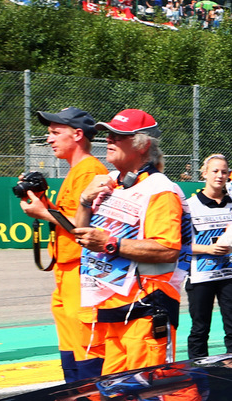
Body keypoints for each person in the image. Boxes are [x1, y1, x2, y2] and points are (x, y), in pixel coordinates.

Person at [73, 109, 186, 375]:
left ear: (143, 145)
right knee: (115, 399)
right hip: (112, 309)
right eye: (109, 134)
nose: (109, 140)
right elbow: (81, 235)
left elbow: (168, 249)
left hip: (146, 310)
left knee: (147, 399)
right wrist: (84, 201)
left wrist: (111, 243)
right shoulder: (109, 183)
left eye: (119, 136)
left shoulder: (160, 190)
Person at [19, 106, 108, 382]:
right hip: (67, 271)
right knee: (70, 342)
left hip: (82, 271)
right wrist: (41, 201)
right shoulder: (77, 171)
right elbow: (68, 217)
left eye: (55, 133)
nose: (49, 139)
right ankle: (75, 397)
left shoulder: (91, 171)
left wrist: (42, 213)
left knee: (86, 342)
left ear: (78, 135)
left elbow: (86, 227)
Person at [186, 154, 232, 358]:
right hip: (201, 277)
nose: (220, 175)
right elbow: (181, 245)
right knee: (199, 330)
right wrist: (208, 250)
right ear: (204, 173)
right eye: (215, 171)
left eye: (224, 171)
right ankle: (197, 373)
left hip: (231, 274)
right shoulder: (189, 205)